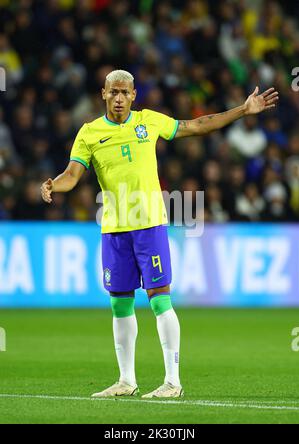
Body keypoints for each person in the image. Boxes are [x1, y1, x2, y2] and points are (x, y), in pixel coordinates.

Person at [41, 70, 278, 398]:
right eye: (114, 93)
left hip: (149, 224)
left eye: (125, 92)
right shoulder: (89, 133)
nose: (119, 98)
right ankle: (126, 380)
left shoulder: (149, 121)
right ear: (103, 94)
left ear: (134, 94)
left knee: (159, 300)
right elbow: (72, 174)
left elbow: (196, 125)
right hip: (114, 229)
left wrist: (242, 110)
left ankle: (172, 382)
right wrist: (54, 185)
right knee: (119, 305)